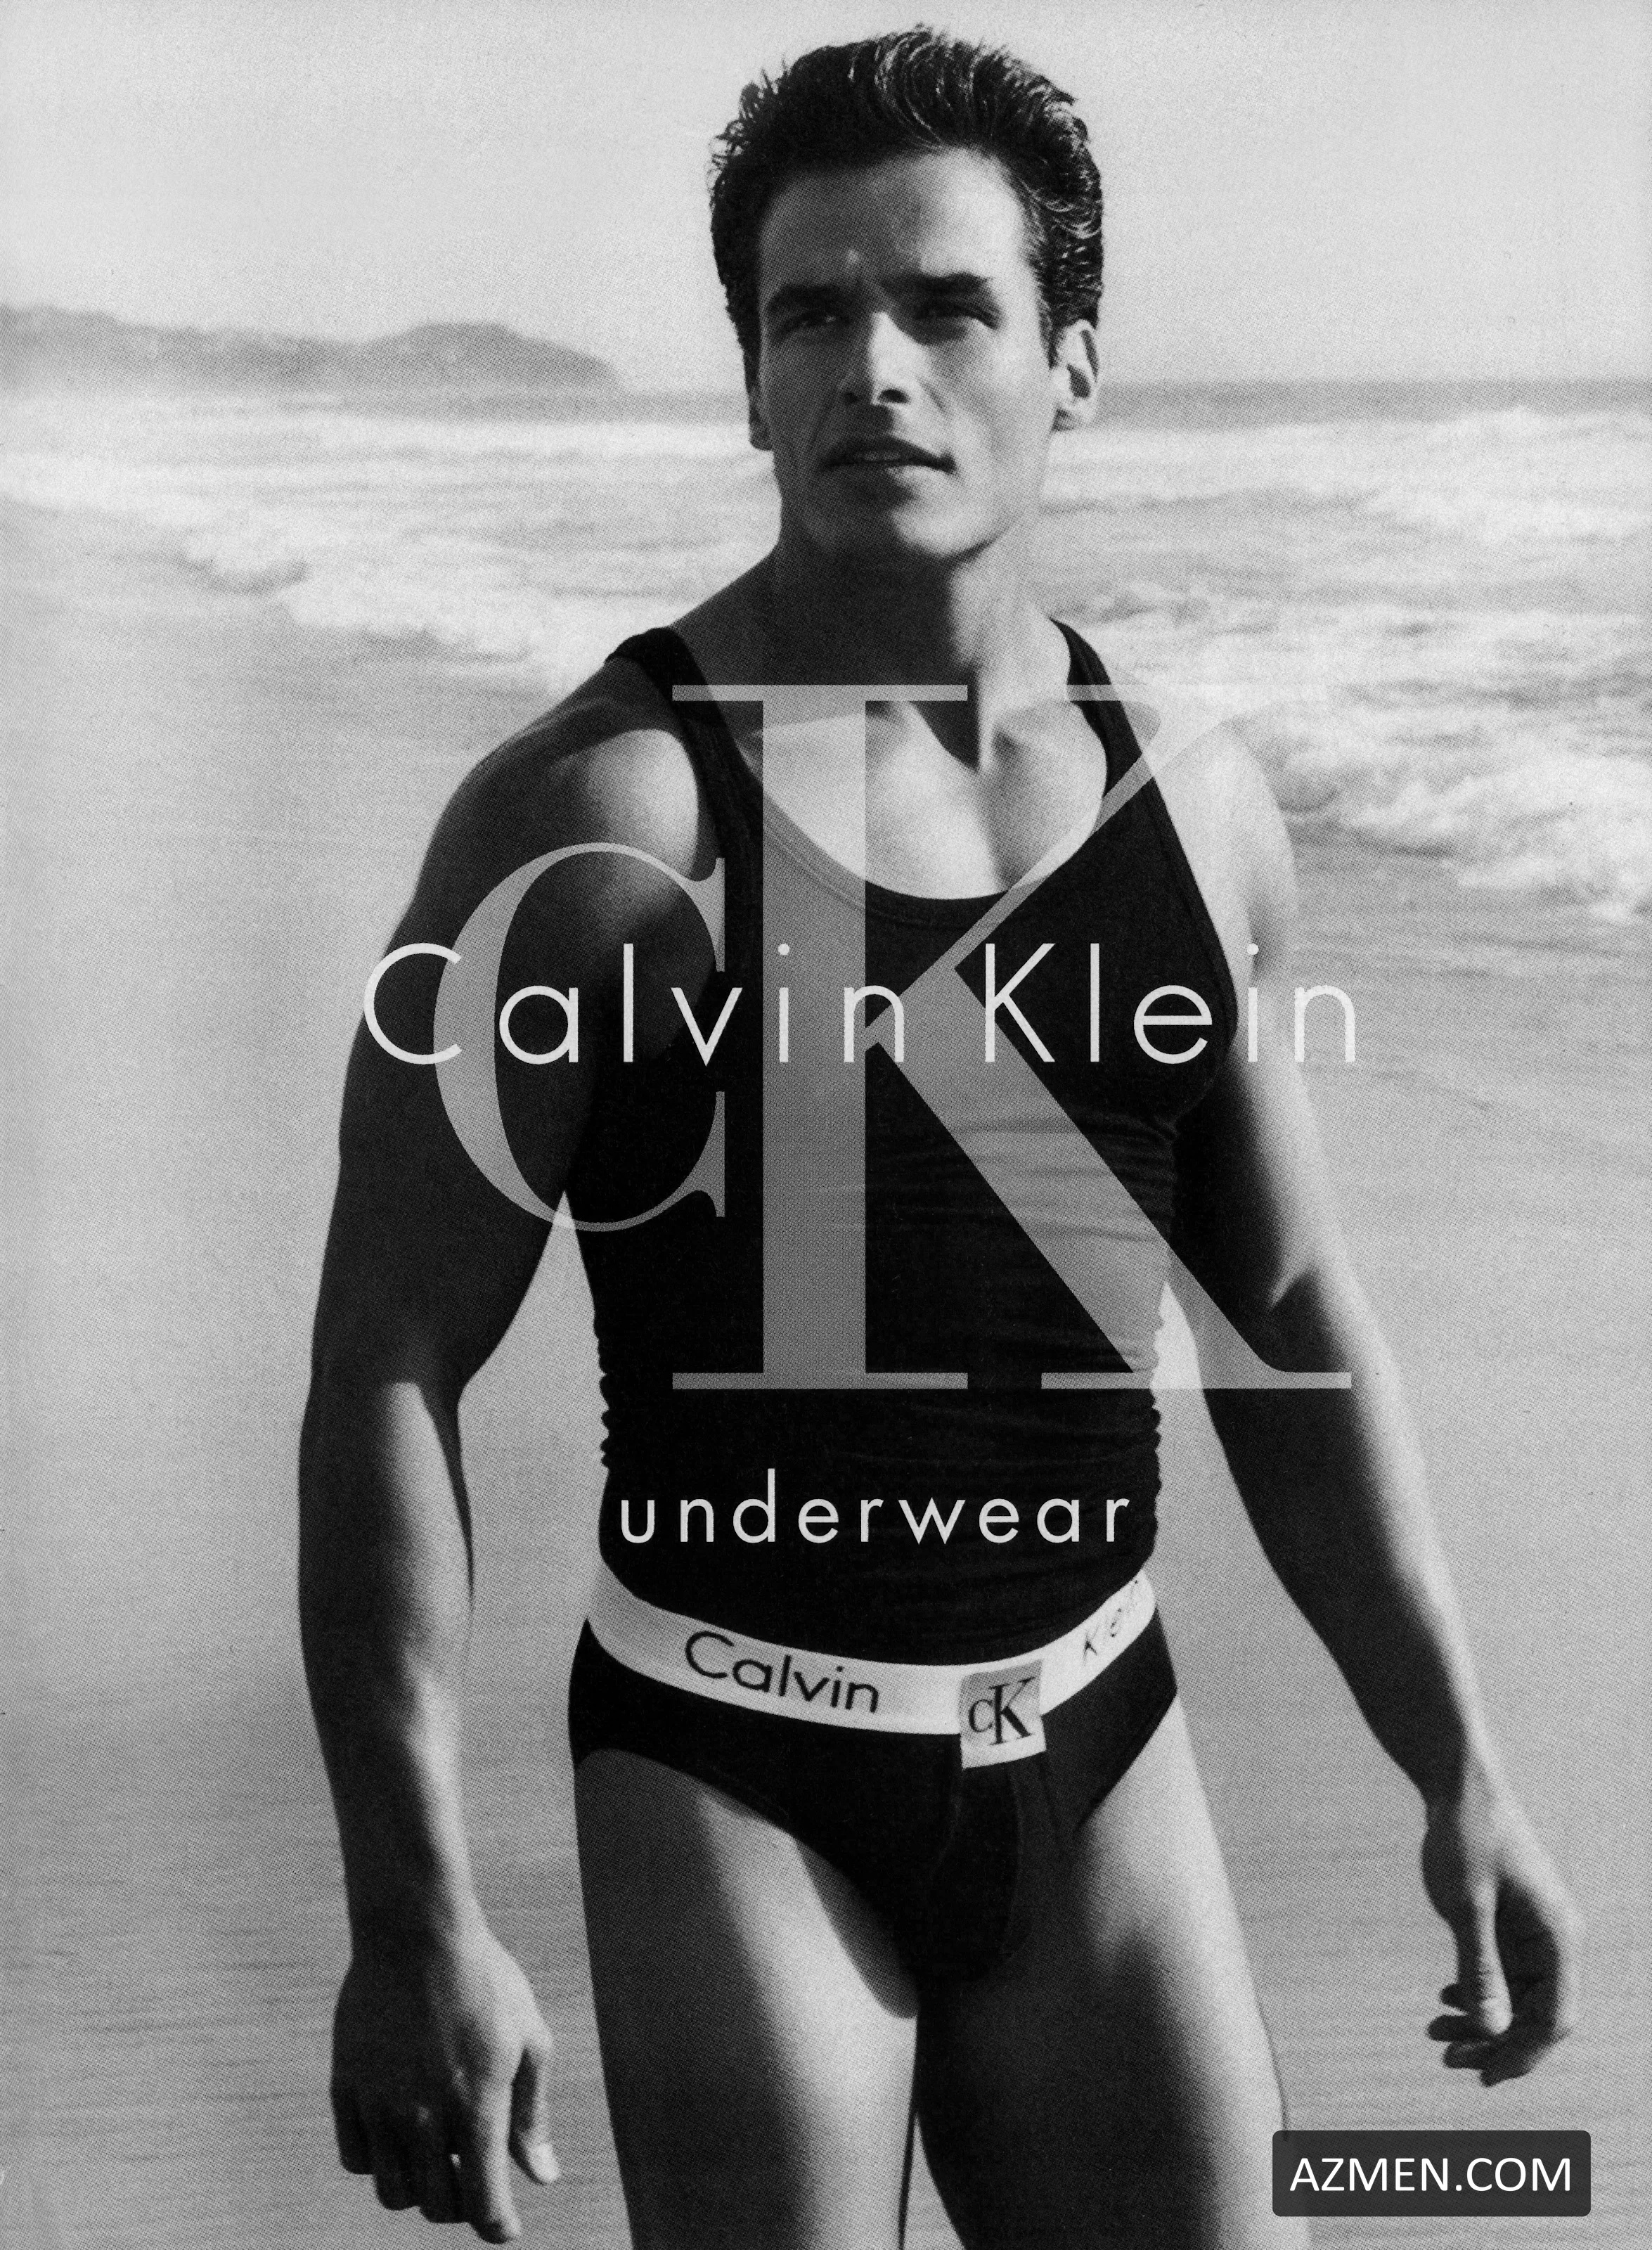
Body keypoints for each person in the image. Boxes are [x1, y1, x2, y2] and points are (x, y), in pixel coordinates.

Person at [299, 30, 1581, 2249]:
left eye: (946, 308)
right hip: (739, 1760)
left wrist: (1458, 1762)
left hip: (1100, 1738)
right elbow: (386, 1362)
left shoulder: (1193, 813)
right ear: (751, 378)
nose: (872, 366)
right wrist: (413, 1918)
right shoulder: (610, 829)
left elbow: (1284, 1314)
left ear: (1071, 363)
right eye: (810, 314)